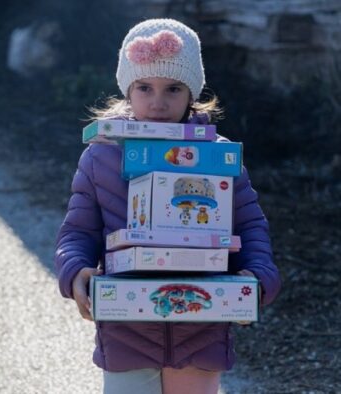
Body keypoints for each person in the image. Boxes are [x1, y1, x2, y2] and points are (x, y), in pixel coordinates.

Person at [54, 19, 281, 394]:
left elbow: (251, 225)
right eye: (145, 87)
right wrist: (75, 271)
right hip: (126, 328)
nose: (158, 102)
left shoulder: (219, 156)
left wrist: (258, 278)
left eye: (173, 88)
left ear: (192, 93)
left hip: (203, 327)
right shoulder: (101, 157)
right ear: (128, 89)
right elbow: (78, 231)